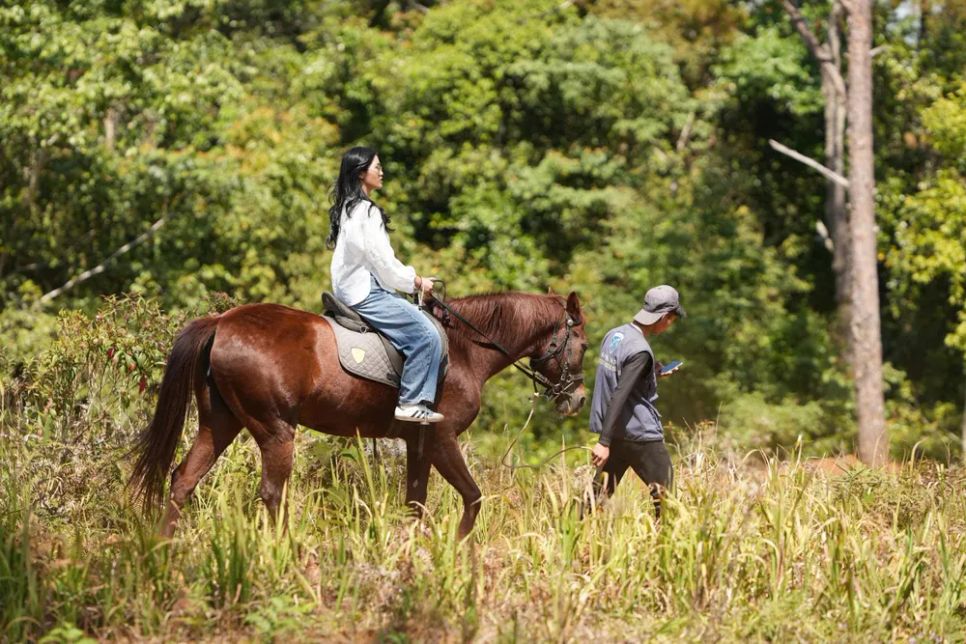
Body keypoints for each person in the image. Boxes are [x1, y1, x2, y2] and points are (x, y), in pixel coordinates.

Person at [328, 146, 444, 423]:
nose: (382, 172)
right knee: (427, 336)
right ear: (360, 173)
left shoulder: (347, 209)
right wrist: (416, 282)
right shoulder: (367, 212)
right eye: (376, 167)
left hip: (350, 288)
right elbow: (383, 261)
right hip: (367, 291)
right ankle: (411, 401)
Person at [587, 285, 685, 517]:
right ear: (663, 316)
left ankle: (567, 538)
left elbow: (618, 378)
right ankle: (666, 549)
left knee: (594, 500)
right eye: (670, 319)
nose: (669, 325)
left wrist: (653, 372)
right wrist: (603, 443)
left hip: (617, 434)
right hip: (640, 435)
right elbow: (620, 393)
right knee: (669, 504)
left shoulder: (616, 335)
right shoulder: (641, 351)